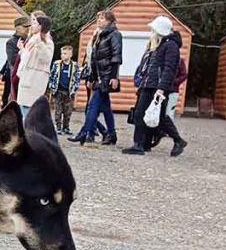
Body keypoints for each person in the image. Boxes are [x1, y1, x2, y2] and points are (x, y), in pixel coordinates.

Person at [122, 15, 188, 156]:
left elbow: (169, 69)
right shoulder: (160, 43)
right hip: (149, 85)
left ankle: (139, 145)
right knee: (156, 117)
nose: (151, 31)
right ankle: (157, 142)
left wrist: (161, 89)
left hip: (156, 87)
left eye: (153, 29)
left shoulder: (170, 46)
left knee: (143, 115)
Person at [69, 10, 121, 146]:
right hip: (98, 77)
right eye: (98, 18)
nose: (99, 20)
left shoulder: (115, 35)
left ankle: (84, 133)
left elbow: (116, 56)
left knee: (92, 105)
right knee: (106, 107)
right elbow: (93, 60)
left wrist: (114, 77)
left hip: (107, 76)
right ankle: (112, 134)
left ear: (109, 20)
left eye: (102, 18)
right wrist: (91, 78)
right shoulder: (100, 36)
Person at [16, 16, 55, 117]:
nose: (31, 26)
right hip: (26, 78)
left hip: (35, 79)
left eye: (34, 23)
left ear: (41, 26)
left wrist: (39, 43)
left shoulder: (48, 42)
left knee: (30, 110)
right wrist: (22, 50)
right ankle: (25, 131)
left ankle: (28, 131)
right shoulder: (32, 40)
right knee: (23, 108)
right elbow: (28, 58)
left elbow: (46, 59)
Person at [48, 45, 81, 134]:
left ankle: (66, 127)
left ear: (70, 55)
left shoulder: (74, 65)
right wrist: (51, 87)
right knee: (58, 110)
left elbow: (77, 78)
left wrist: (74, 89)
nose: (62, 55)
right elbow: (51, 76)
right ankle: (58, 127)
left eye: (65, 54)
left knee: (68, 111)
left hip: (69, 92)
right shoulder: (57, 64)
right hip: (58, 91)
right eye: (62, 53)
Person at [2, 17, 29, 107]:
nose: (28, 29)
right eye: (25, 27)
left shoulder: (29, 40)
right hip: (16, 76)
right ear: (17, 28)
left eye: (29, 26)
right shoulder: (11, 42)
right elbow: (13, 60)